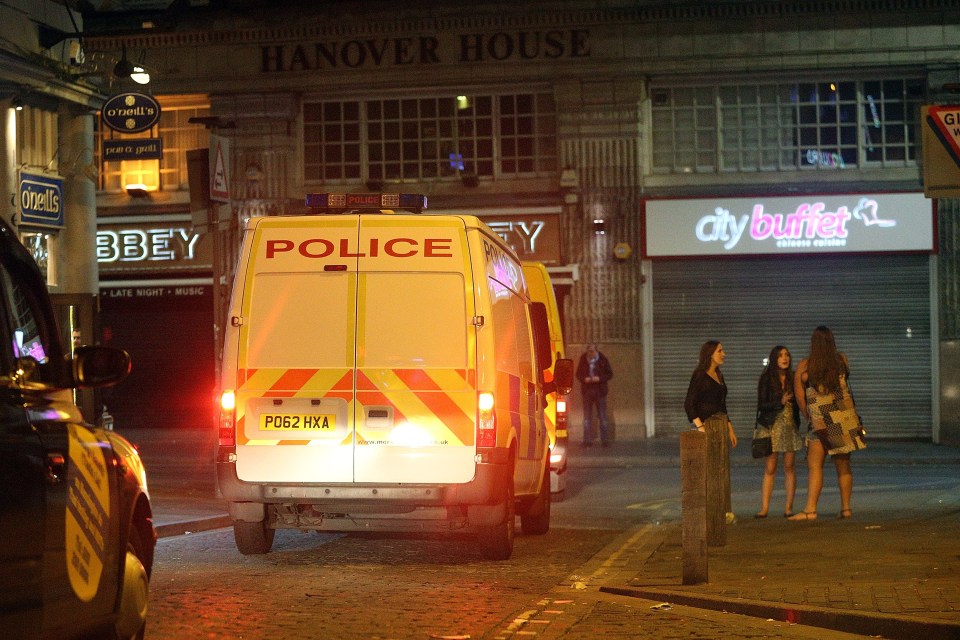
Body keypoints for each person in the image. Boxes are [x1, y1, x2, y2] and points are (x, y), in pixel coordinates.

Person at [789, 326, 856, 521]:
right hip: (842, 418)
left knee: (815, 465)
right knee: (843, 465)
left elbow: (800, 398)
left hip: (819, 421)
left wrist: (809, 417)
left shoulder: (805, 366)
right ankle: (846, 508)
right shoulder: (841, 361)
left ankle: (810, 509)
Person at [684, 340, 738, 522]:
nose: (724, 354)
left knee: (719, 471)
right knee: (707, 472)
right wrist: (701, 428)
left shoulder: (719, 375)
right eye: (720, 351)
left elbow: (722, 405)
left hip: (719, 428)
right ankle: (707, 513)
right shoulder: (700, 375)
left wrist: (729, 427)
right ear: (710, 354)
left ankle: (720, 511)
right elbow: (689, 404)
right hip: (706, 429)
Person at [754, 346, 803, 519]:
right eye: (781, 355)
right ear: (774, 358)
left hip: (790, 427)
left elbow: (800, 402)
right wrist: (779, 401)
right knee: (770, 467)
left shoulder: (793, 378)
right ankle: (764, 508)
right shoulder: (767, 378)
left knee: (789, 467)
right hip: (772, 426)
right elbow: (761, 405)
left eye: (787, 355)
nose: (785, 358)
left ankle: (788, 508)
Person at [576, 344, 613, 446]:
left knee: (602, 416)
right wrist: (584, 379)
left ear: (596, 351)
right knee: (587, 417)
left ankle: (605, 440)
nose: (590, 354)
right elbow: (578, 374)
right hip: (587, 391)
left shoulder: (603, 360)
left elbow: (610, 374)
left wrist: (599, 378)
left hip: (600, 391)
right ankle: (587, 440)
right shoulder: (583, 359)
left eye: (592, 351)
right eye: (589, 351)